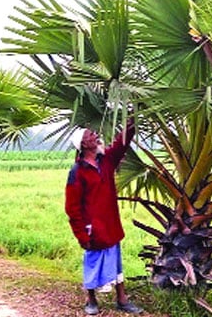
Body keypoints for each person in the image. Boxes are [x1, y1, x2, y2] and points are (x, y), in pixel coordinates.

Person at [65, 119, 143, 315]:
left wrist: (132, 120)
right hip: (93, 229)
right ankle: (90, 300)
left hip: (111, 225)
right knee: (92, 263)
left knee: (116, 263)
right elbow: (72, 208)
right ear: (83, 145)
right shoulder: (77, 172)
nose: (95, 135)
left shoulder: (106, 161)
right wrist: (81, 235)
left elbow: (121, 143)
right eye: (90, 135)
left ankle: (122, 299)